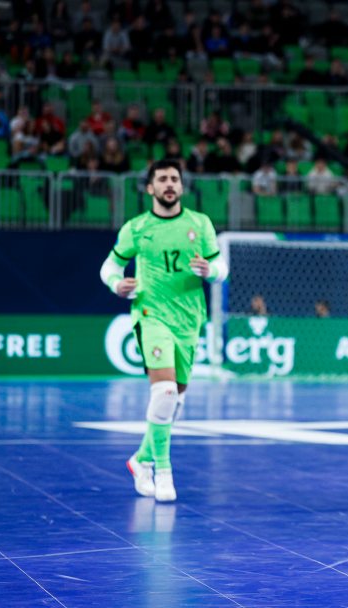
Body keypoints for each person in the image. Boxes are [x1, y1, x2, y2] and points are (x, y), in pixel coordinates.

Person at [99, 159, 229, 502]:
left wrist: (210, 271)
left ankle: (140, 459)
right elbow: (109, 265)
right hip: (150, 314)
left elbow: (221, 266)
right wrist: (116, 283)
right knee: (165, 393)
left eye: (174, 179)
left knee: (176, 399)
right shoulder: (136, 228)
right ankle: (163, 471)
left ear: (182, 187)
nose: (169, 184)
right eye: (162, 179)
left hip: (189, 319)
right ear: (150, 188)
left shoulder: (199, 224)